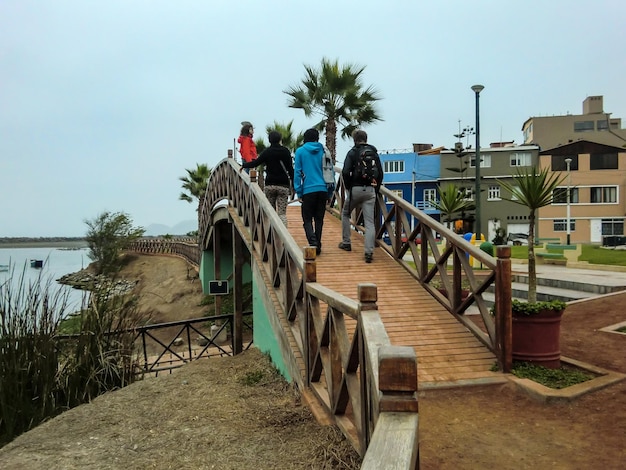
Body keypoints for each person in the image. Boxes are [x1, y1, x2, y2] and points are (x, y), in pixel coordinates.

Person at [338, 129, 384, 263]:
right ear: (366, 139)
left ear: (354, 140)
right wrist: (376, 188)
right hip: (370, 190)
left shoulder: (352, 152)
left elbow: (345, 172)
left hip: (355, 189)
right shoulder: (373, 152)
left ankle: (346, 242)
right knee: (369, 222)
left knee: (346, 213)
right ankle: (369, 252)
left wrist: (348, 187)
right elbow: (380, 173)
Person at [240, 131, 294, 226]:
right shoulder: (286, 151)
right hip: (283, 186)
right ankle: (283, 236)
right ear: (280, 139)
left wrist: (244, 165)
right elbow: (290, 169)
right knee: (281, 213)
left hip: (270, 185)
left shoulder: (267, 152)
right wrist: (294, 183)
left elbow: (255, 163)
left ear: (269, 140)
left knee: (270, 212)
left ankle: (271, 236)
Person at [294, 128, 329, 255]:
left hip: (308, 190)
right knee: (319, 219)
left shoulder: (300, 152)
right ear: (317, 138)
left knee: (307, 219)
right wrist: (330, 191)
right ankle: (317, 244)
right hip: (323, 189)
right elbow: (329, 170)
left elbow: (297, 172)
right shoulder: (324, 151)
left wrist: (299, 191)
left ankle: (313, 242)